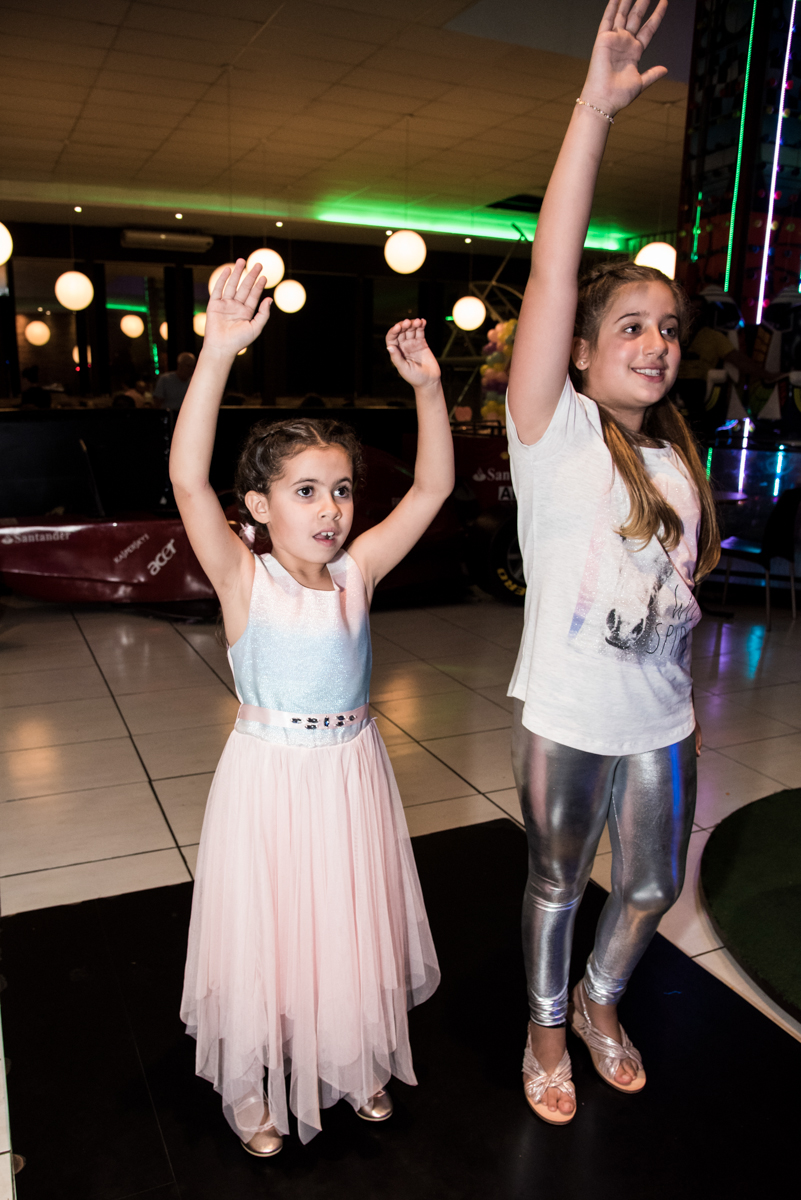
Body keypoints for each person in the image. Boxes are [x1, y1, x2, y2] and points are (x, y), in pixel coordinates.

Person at [171, 259, 449, 1154]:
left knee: (346, 919)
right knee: (271, 927)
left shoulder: (355, 575)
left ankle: (352, 1056)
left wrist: (430, 391)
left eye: (339, 489)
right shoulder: (241, 577)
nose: (329, 509)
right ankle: (251, 1085)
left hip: (350, 774)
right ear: (256, 506)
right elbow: (185, 482)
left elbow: (433, 490)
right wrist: (217, 353)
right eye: (304, 492)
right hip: (271, 778)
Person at [505, 0, 720, 1126]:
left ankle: (599, 999)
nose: (655, 342)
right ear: (583, 354)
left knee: (647, 884)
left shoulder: (675, 457)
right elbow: (552, 267)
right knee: (556, 876)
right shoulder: (556, 435)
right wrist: (594, 107)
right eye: (630, 324)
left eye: (670, 330)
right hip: (570, 711)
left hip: (664, 714)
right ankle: (546, 1026)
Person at [677, 287, 775, 438]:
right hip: (671, 381)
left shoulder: (713, 337)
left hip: (696, 385)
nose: (693, 315)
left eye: (698, 310)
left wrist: (766, 375)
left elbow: (738, 360)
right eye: (690, 310)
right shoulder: (674, 333)